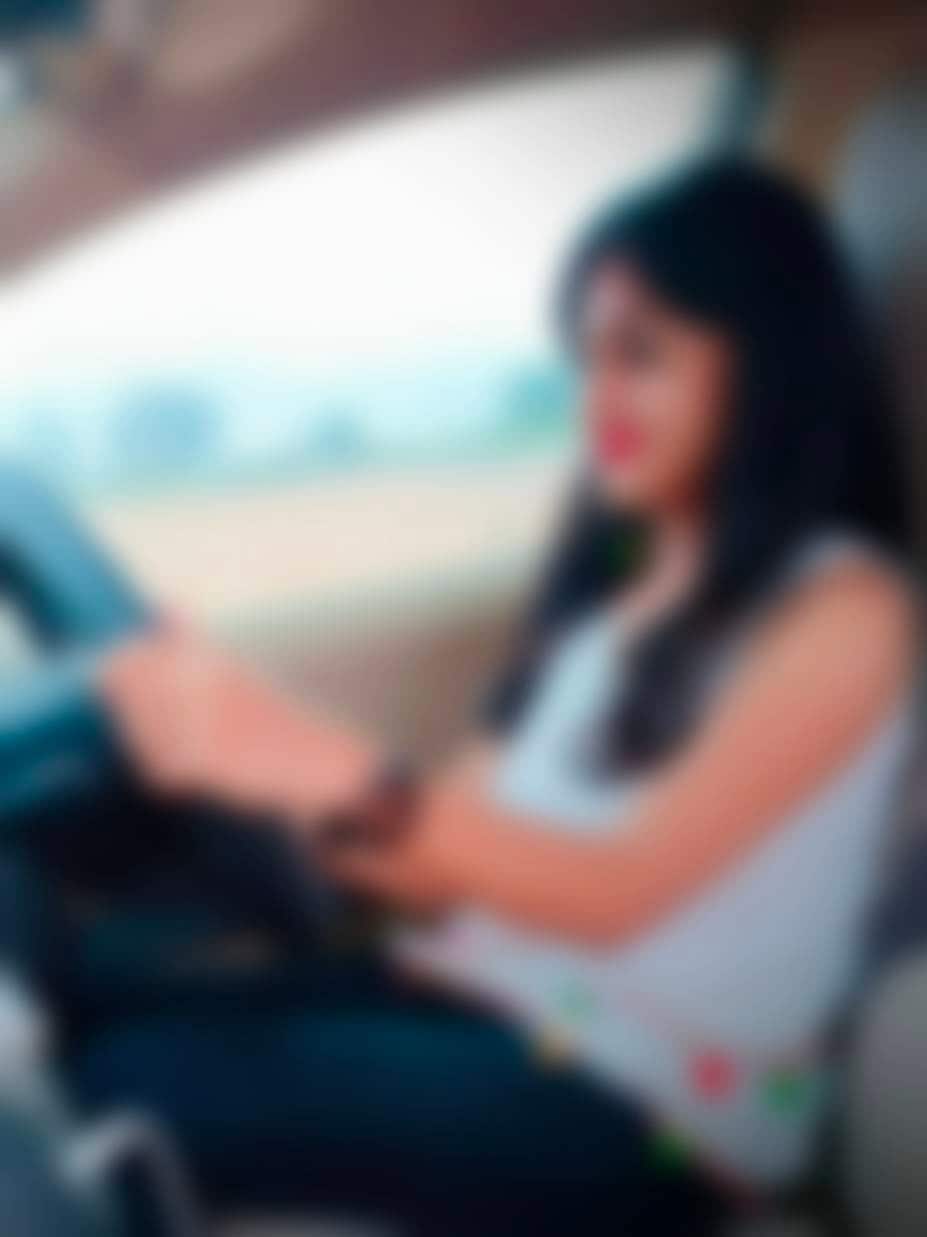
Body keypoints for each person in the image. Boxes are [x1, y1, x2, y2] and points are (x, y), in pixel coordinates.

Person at [76, 158, 917, 1236]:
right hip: (485, 1007)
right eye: (585, 359)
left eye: (639, 355)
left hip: (646, 1116)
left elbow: (618, 891)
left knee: (132, 1084)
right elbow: (439, 862)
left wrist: (300, 753)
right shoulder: (617, 595)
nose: (595, 400)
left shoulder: (848, 607)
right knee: (90, 1016)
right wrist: (252, 766)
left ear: (767, 362)